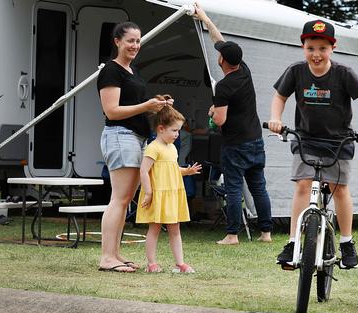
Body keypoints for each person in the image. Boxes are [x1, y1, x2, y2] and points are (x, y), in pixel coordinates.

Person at [268, 19, 358, 269]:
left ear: (333, 47)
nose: (316, 54)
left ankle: (346, 242)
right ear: (303, 47)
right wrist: (275, 118)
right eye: (311, 48)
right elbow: (279, 96)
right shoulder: (296, 71)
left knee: (339, 189)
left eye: (322, 48)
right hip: (306, 140)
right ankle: (292, 242)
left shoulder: (344, 73)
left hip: (338, 142)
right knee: (302, 186)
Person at [192, 3, 273, 245]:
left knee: (234, 188)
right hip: (256, 141)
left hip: (235, 145)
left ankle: (232, 235)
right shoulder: (244, 70)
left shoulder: (225, 86)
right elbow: (220, 40)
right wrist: (205, 19)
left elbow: (220, 120)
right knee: (259, 187)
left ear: (222, 61)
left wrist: (213, 110)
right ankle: (266, 234)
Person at [97, 21, 171, 272]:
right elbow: (112, 110)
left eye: (138, 41)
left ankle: (115, 254)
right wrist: (145, 107)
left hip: (135, 138)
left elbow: (137, 105)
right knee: (119, 199)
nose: (135, 45)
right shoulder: (111, 70)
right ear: (117, 41)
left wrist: (159, 104)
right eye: (130, 40)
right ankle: (107, 257)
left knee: (125, 199)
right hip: (120, 135)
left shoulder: (131, 71)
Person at [136, 95, 202, 273]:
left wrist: (186, 171)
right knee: (154, 229)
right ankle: (152, 264)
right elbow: (144, 171)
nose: (177, 134)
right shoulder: (153, 147)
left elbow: (171, 169)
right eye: (174, 130)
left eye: (178, 131)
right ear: (160, 128)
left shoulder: (172, 148)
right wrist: (148, 193)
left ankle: (180, 263)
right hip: (157, 194)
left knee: (175, 229)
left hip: (171, 194)